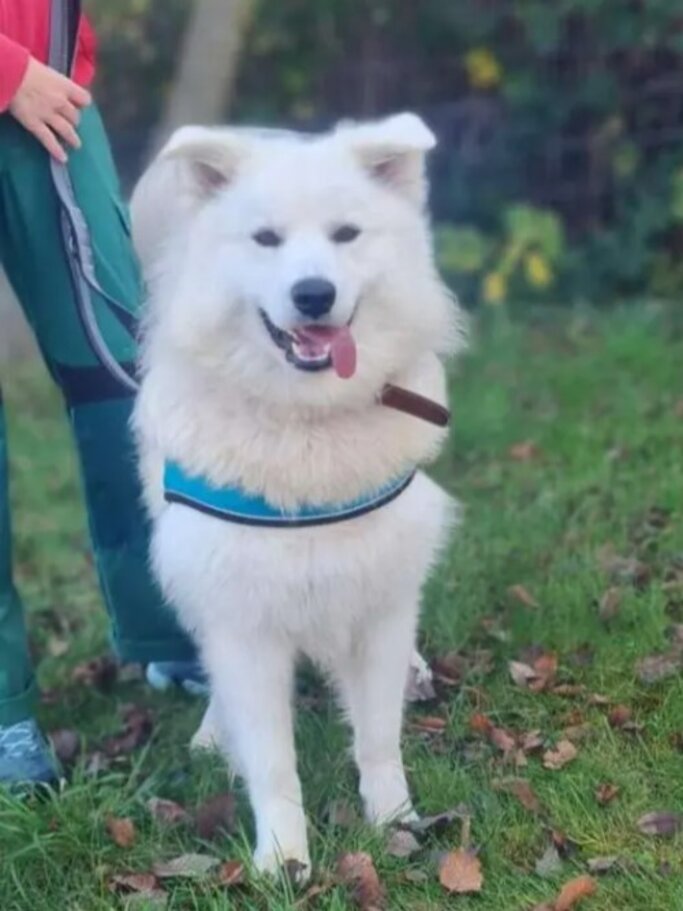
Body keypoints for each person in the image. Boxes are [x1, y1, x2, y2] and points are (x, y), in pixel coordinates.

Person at [0, 0, 204, 788]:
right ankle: (5, 706)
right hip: (25, 78)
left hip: (52, 96)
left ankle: (174, 626)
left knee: (122, 375)